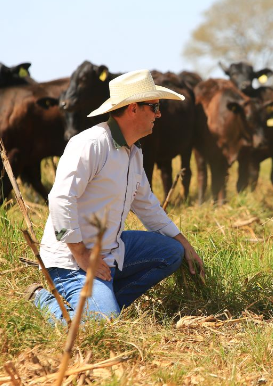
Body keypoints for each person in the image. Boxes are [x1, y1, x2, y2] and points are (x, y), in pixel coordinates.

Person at [28, 69, 204, 323]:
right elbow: (59, 199)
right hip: (71, 261)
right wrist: (81, 255)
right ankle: (45, 299)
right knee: (104, 326)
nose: (159, 114)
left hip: (110, 249)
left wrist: (185, 244)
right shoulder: (91, 143)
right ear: (133, 109)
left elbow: (148, 206)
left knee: (172, 252)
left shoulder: (134, 152)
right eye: (154, 107)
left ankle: (101, 305)